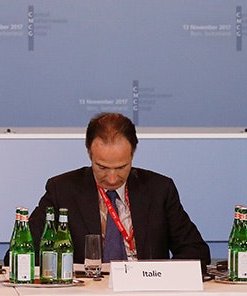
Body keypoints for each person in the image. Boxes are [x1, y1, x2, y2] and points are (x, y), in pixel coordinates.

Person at [27, 113, 210, 269]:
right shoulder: (62, 191)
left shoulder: (159, 190)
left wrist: (157, 276)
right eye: (102, 168)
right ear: (89, 153)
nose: (112, 178)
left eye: (122, 167)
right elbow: (22, 254)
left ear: (133, 154)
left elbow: (196, 252)